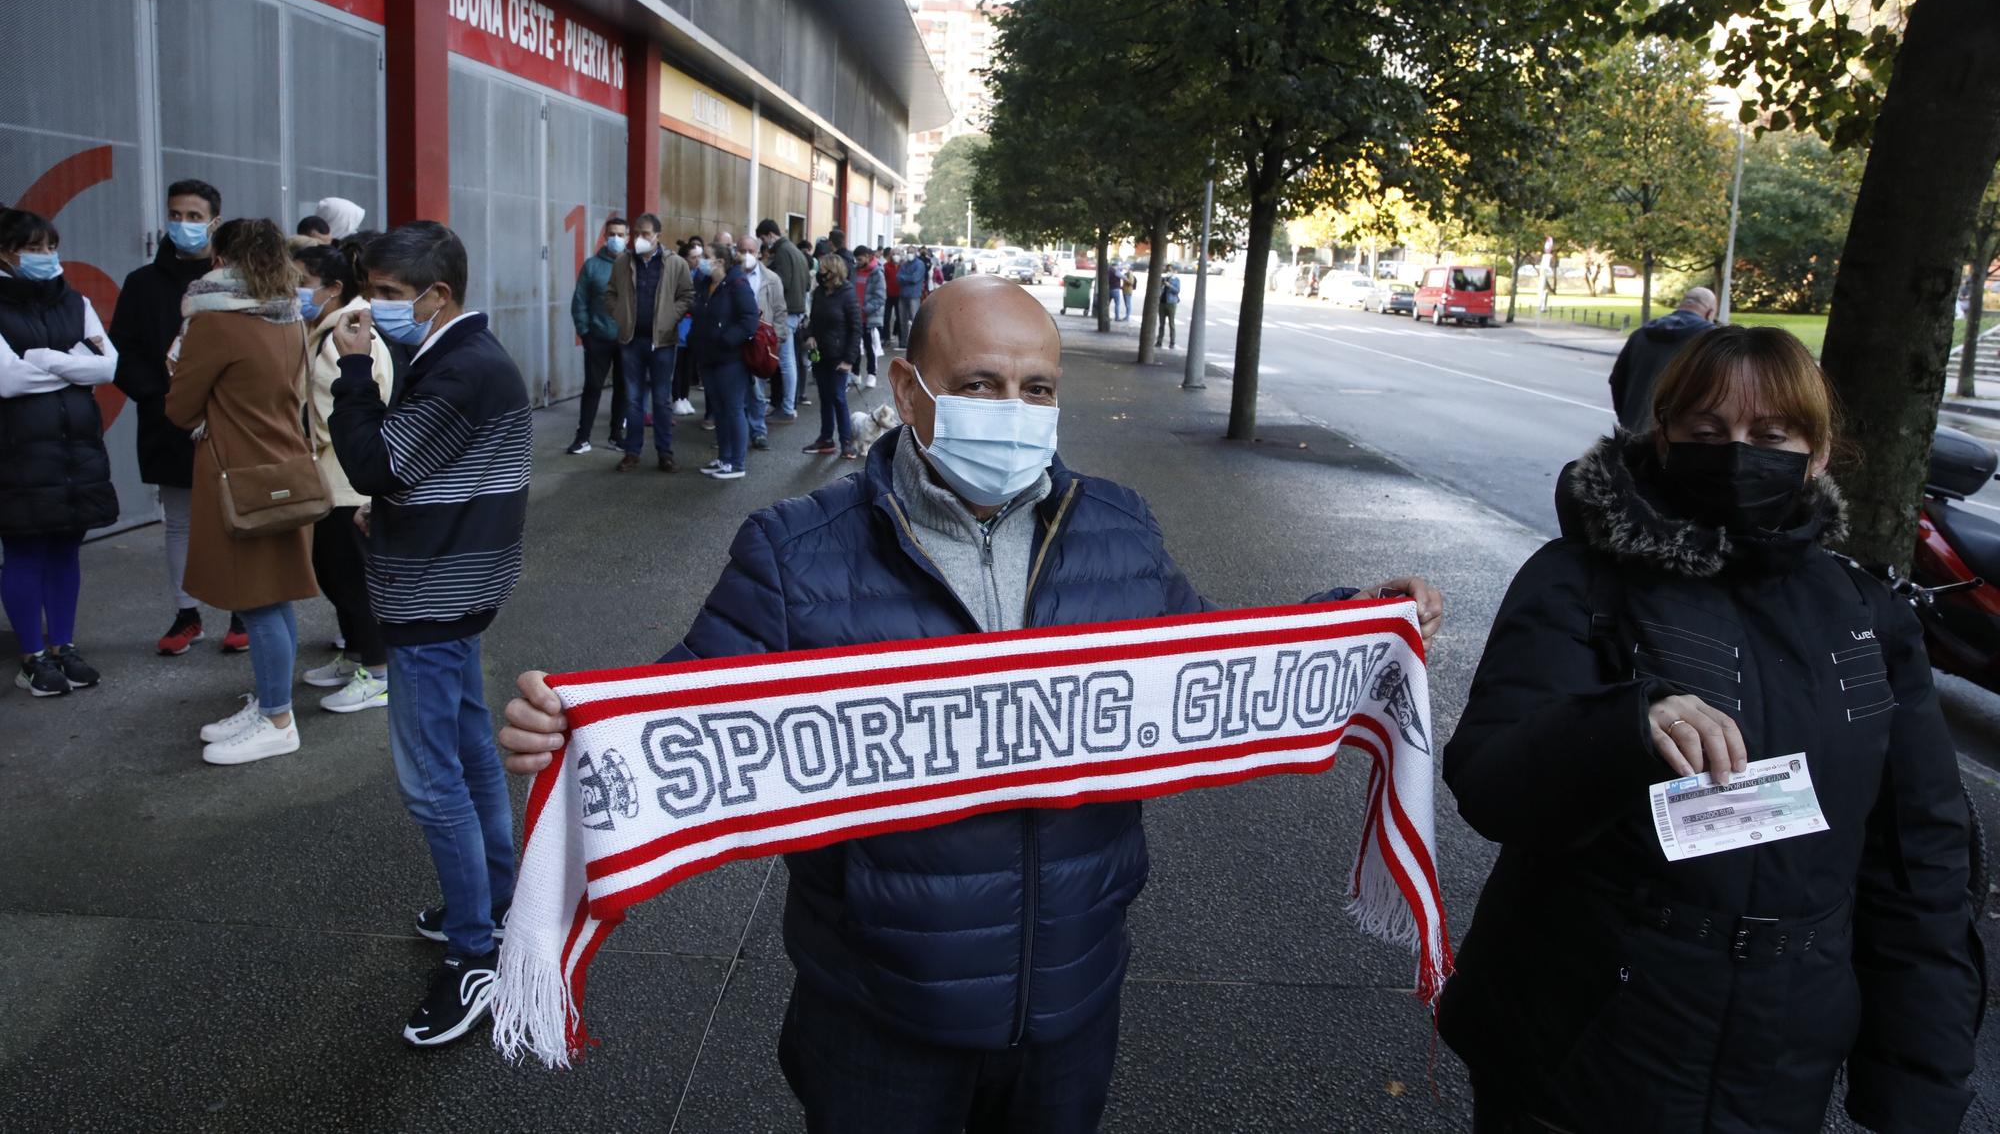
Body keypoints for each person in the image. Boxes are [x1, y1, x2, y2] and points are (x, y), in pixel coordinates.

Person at [499, 276, 1443, 1129]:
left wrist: (1354, 623)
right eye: (982, 384)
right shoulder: (795, 552)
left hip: (1071, 998)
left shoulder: (1119, 528)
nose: (1015, 410)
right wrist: (570, 732)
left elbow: (1220, 664)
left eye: (1038, 390)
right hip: (880, 1012)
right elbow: (681, 716)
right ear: (911, 391)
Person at [1440, 326, 1981, 1134]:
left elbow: (1919, 863)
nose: (1738, 454)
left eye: (1770, 437)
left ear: (1818, 451)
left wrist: (1920, 1081)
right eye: (1707, 433)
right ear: (1664, 438)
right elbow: (1493, 779)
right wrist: (1626, 725)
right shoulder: (1578, 581)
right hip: (1586, 1044)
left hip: (1781, 1060)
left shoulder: (1866, 615)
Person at [327, 221, 531, 1048]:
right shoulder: (461, 357)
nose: (371, 308)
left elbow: (372, 461)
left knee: (429, 775)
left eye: (381, 292)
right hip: (454, 581)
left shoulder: (459, 368)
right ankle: (495, 894)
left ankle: (475, 952)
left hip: (433, 592)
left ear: (434, 295)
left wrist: (349, 370)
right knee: (467, 741)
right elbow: (420, 467)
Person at [166, 218, 318, 765]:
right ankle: (273, 706)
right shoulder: (291, 317)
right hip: (284, 470)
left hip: (238, 476)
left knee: (257, 603)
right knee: (272, 599)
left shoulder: (214, 324)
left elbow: (181, 407)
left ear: (224, 261)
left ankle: (277, 718)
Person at [111, 178, 249, 656]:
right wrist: (158, 397)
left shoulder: (236, 281)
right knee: (180, 521)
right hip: (167, 421)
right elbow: (122, 352)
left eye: (194, 216)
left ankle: (241, 611)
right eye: (176, 214)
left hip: (230, 420)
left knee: (235, 517)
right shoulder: (142, 284)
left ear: (215, 221)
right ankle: (186, 614)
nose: (183, 225)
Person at [0, 210, 118, 698]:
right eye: (35, 248)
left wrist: (44, 360)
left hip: (75, 451)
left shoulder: (77, 301)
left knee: (67, 549)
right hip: (17, 451)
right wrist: (72, 364)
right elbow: (7, 379)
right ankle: (32, 656)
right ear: (7, 253)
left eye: (51, 247)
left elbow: (108, 366)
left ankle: (63, 646)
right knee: (25, 550)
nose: (47, 257)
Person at [294, 242, 393, 711]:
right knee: (334, 572)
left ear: (333, 288)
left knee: (353, 577)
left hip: (346, 478)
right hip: (332, 475)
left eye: (302, 282)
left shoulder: (349, 331)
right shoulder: (327, 326)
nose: (295, 291)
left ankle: (378, 671)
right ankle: (355, 654)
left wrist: (304, 433)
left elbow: (343, 405)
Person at [606, 212, 695, 473]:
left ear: (658, 235)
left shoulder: (675, 263)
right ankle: (632, 452)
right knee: (633, 400)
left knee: (661, 400)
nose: (639, 238)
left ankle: (665, 453)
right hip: (631, 340)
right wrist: (620, 315)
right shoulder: (623, 262)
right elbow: (610, 295)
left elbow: (687, 295)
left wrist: (670, 317)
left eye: (645, 233)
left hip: (663, 341)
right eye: (636, 233)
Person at [690, 234, 759, 481]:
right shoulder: (706, 285)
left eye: (706, 258)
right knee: (719, 410)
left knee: (733, 409)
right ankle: (724, 457)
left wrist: (727, 339)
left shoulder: (737, 284)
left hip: (730, 360)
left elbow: (750, 320)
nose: (701, 262)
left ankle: (736, 462)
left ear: (720, 261)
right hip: (708, 358)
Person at [1608, 286, 1717, 431]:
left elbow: (1617, 380)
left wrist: (1627, 418)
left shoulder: (1640, 334)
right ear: (1710, 313)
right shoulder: (1711, 340)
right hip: (1680, 439)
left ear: (1682, 304)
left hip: (1634, 432)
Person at [566, 216, 628, 456]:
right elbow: (579, 301)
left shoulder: (633, 265)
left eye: (621, 235)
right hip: (598, 338)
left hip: (626, 339)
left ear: (628, 238)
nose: (616, 239)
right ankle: (583, 438)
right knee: (592, 387)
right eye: (612, 234)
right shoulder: (592, 266)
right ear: (604, 237)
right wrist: (585, 332)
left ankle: (616, 435)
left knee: (623, 388)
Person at [800, 255, 862, 460]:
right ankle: (826, 439)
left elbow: (856, 329)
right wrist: (808, 335)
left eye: (824, 269)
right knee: (825, 398)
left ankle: (846, 442)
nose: (820, 272)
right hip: (820, 356)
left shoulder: (847, 294)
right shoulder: (819, 292)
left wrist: (849, 360)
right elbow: (813, 322)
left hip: (839, 357)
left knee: (838, 397)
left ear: (833, 272)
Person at [738, 233, 788, 448]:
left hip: (759, 345)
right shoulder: (731, 277)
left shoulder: (771, 279)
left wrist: (776, 339)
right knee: (736, 392)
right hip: (736, 342)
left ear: (758, 253)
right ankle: (737, 432)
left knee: (757, 391)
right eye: (742, 251)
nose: (747, 255)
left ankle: (758, 431)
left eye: (751, 251)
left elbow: (780, 311)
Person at [761, 219, 810, 421]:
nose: (765, 243)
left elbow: (781, 283)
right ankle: (787, 404)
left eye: (764, 238)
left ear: (770, 234)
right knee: (789, 362)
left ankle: (788, 407)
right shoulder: (796, 251)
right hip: (796, 309)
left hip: (786, 311)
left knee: (786, 363)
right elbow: (807, 282)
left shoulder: (782, 252)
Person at [671, 239, 703, 416]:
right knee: (679, 363)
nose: (697, 261)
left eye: (699, 256)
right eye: (693, 257)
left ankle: (684, 396)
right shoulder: (677, 275)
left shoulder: (700, 275)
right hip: (681, 322)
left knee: (689, 363)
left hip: (693, 324)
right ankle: (676, 397)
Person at [852, 244, 886, 388]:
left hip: (868, 318)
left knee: (869, 346)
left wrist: (865, 310)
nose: (857, 262)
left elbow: (880, 297)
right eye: (856, 260)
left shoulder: (877, 273)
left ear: (867, 256)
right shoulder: (854, 271)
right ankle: (855, 373)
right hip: (854, 316)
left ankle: (872, 374)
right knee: (854, 345)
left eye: (859, 259)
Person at [883, 244, 904, 351]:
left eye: (897, 254)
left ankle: (901, 339)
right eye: (894, 254)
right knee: (886, 317)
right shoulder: (886, 266)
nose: (896, 256)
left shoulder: (904, 266)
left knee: (900, 318)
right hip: (888, 295)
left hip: (900, 295)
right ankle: (886, 338)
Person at [1159, 271, 1182, 348]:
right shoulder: (1164, 279)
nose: (1169, 272)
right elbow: (1159, 289)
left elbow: (1177, 291)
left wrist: (1169, 285)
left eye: (1170, 270)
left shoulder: (1176, 280)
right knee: (1161, 324)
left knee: (1171, 324)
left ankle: (1172, 342)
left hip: (1171, 303)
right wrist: (1162, 284)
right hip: (1162, 303)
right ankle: (1159, 341)